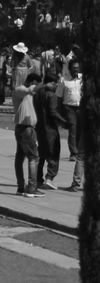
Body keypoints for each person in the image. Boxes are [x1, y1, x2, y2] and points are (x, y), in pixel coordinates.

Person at [13, 73, 45, 197]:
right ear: (31, 82)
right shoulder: (20, 90)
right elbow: (29, 89)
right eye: (36, 84)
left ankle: (21, 187)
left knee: (20, 157)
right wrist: (42, 85)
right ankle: (31, 188)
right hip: (25, 129)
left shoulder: (29, 95)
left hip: (24, 129)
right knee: (33, 158)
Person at [65, 59, 86, 191]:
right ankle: (77, 182)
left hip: (88, 124)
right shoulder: (65, 80)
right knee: (81, 155)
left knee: (81, 156)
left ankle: (76, 183)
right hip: (74, 111)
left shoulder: (83, 82)